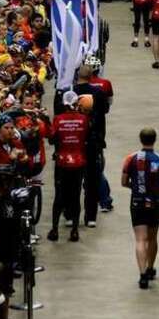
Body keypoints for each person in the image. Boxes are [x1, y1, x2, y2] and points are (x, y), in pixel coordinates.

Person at [121, 127, 159, 289]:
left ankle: (142, 274)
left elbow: (123, 182)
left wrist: (136, 187)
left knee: (140, 239)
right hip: (155, 201)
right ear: (155, 139)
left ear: (141, 139)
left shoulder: (130, 159)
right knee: (152, 237)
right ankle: (150, 268)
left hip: (137, 201)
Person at [48, 90, 90, 243]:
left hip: (62, 162)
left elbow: (52, 140)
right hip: (78, 162)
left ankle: (54, 229)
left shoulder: (58, 120)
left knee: (59, 196)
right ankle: (74, 231)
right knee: (75, 195)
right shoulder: (84, 119)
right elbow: (87, 137)